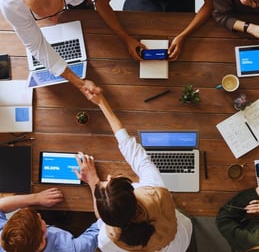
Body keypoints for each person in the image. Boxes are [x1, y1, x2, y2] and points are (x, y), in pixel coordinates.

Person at [74, 92, 193, 251]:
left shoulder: (106, 240)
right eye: (110, 181)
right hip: (178, 236)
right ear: (133, 194)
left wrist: (93, 181)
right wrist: (101, 101)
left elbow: (102, 218)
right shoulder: (154, 191)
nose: (108, 176)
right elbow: (129, 147)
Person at [0, 0, 103, 99]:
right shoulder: (10, 4)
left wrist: (85, 1)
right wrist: (80, 83)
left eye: (56, 13)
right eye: (43, 17)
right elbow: (37, 46)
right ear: (25, 4)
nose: (54, 22)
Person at [0, 188, 99, 252]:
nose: (38, 214)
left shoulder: (5, 237)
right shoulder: (70, 249)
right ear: (42, 240)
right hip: (72, 234)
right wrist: (94, 183)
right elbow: (99, 227)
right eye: (39, 219)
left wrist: (37, 198)